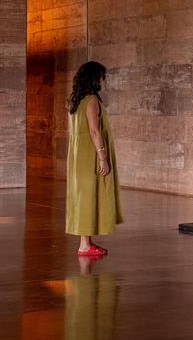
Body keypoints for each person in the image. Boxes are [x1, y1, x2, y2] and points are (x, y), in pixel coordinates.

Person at [66, 61, 124, 256]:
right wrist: (102, 157)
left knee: (84, 197)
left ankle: (86, 243)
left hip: (78, 156)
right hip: (90, 155)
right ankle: (84, 245)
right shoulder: (91, 100)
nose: (103, 80)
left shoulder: (74, 100)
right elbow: (94, 131)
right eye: (101, 77)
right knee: (88, 197)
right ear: (94, 78)